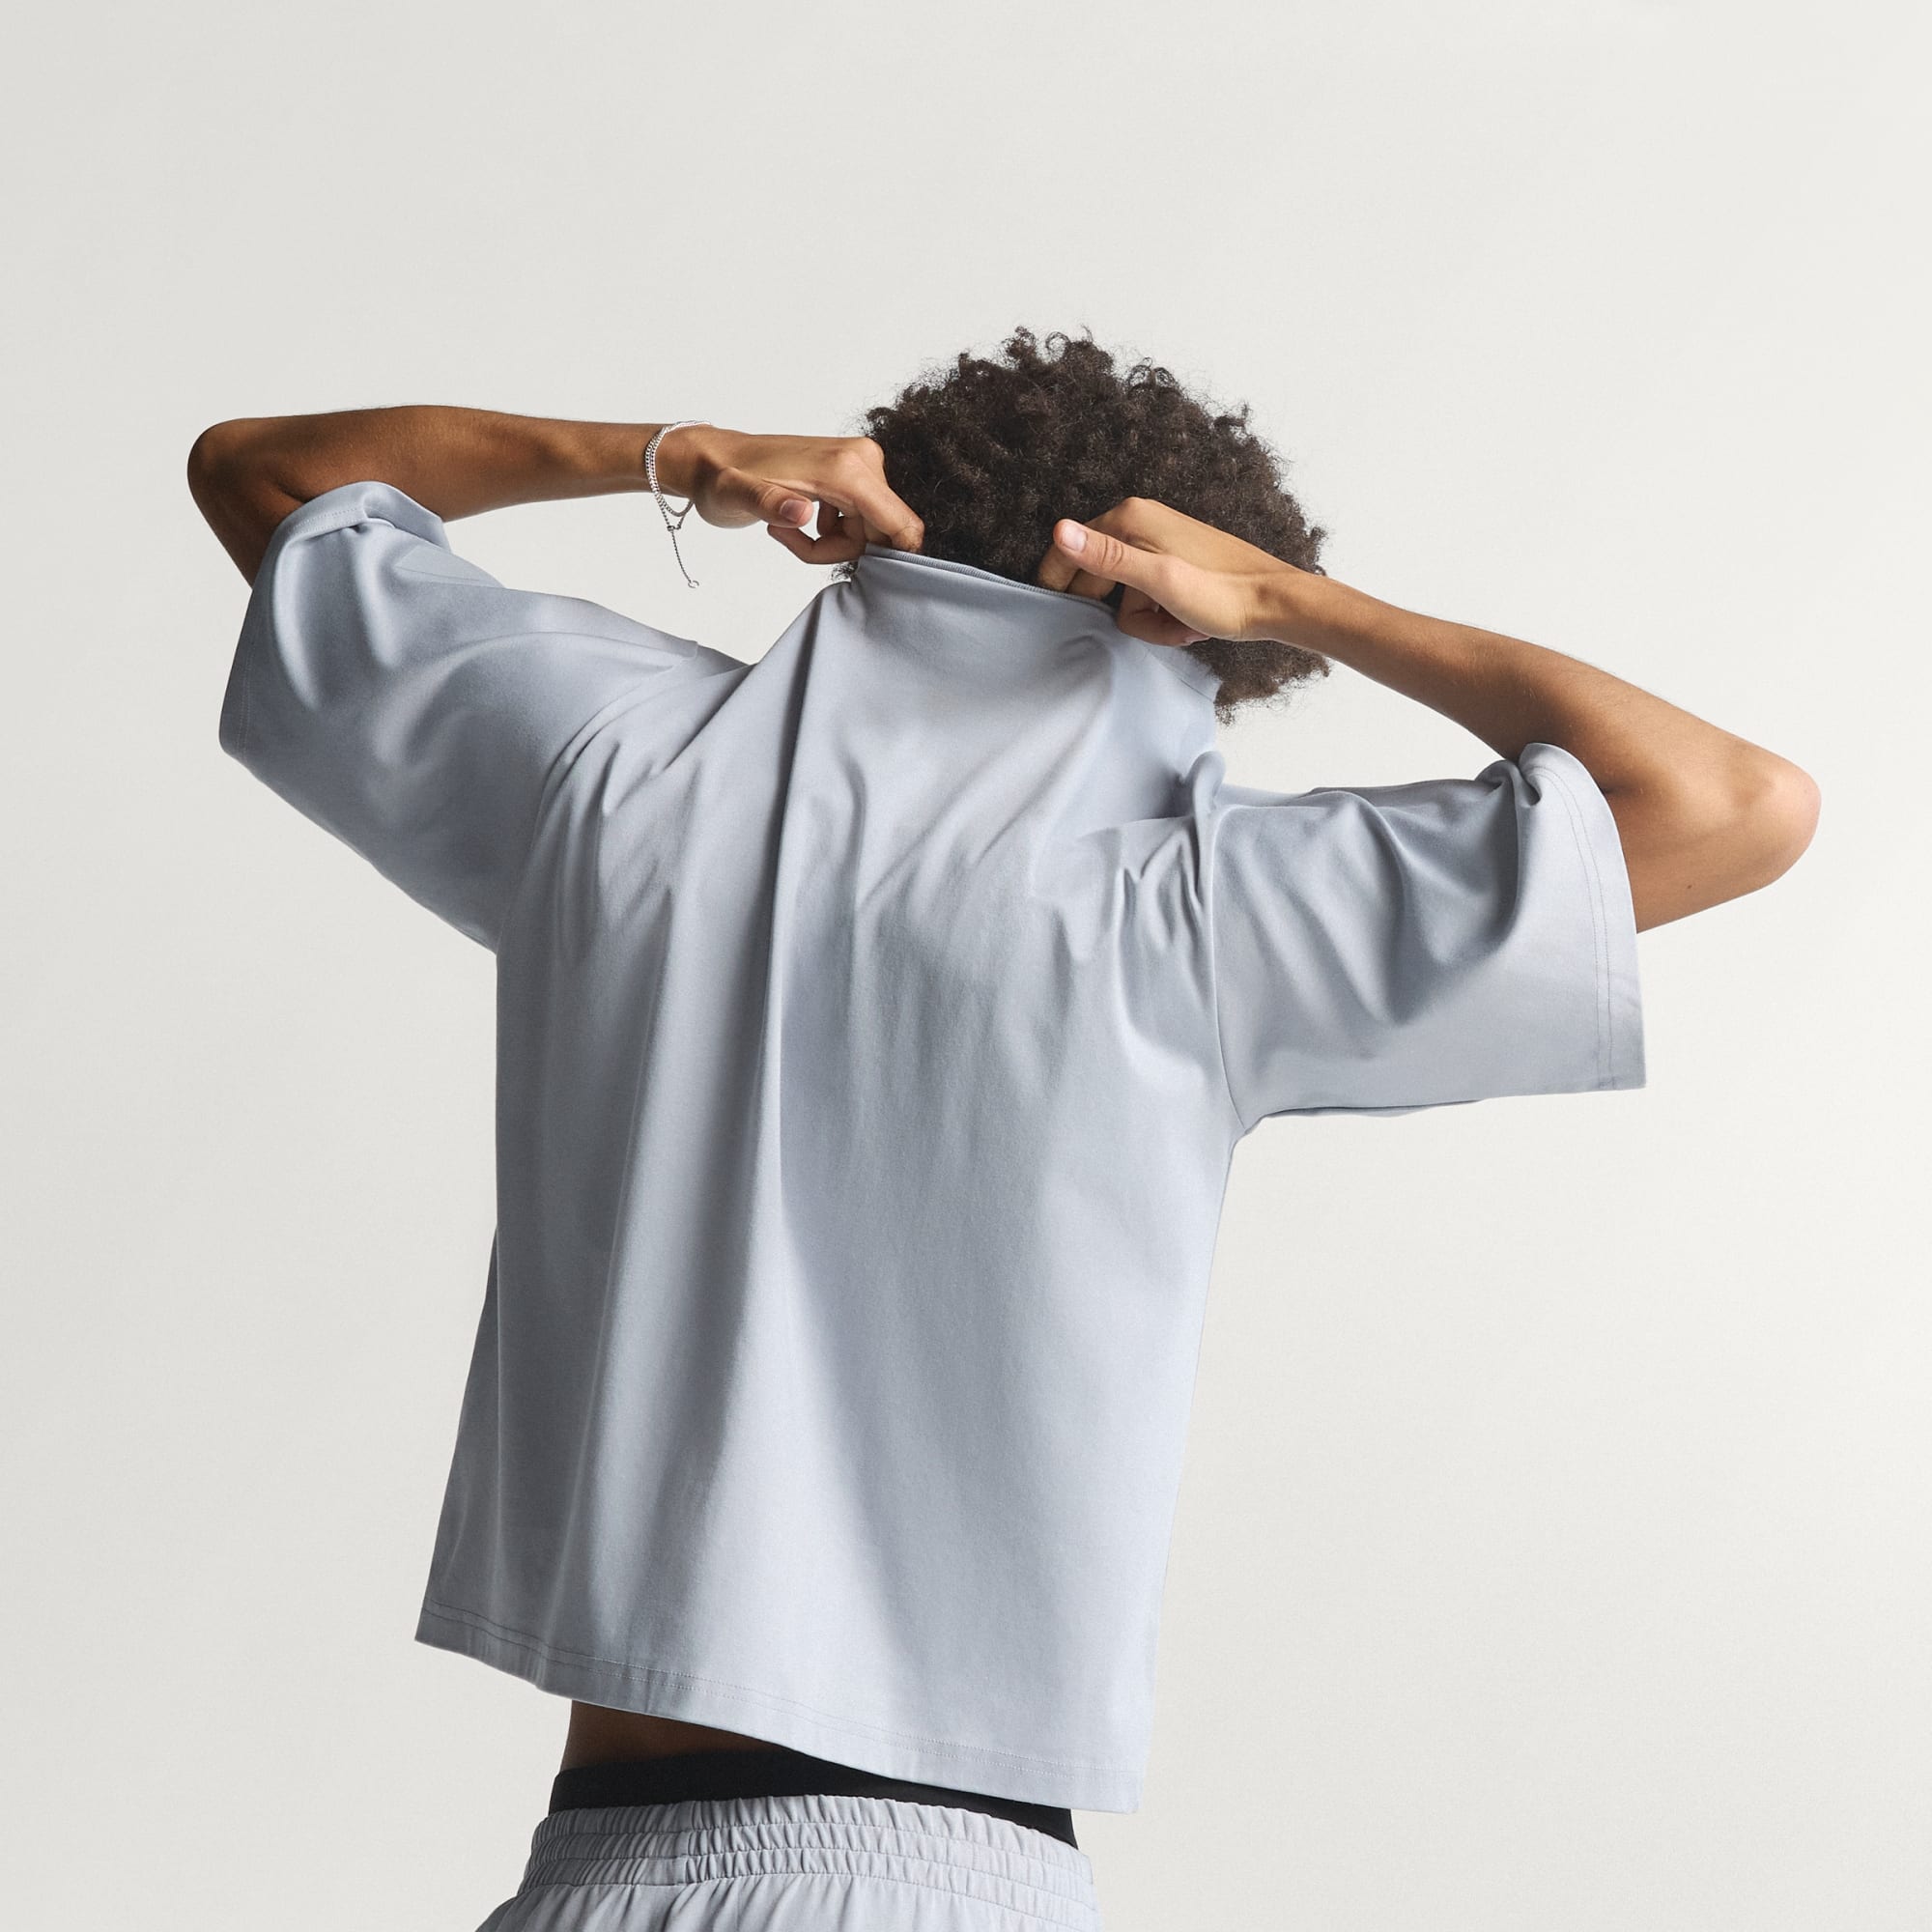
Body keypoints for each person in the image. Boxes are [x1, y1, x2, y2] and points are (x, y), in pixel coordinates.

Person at [188, 328, 1818, 1931]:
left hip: (606, 1873)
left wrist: (675, 457)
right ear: (1182, 614)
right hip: (958, 1877)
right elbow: (1735, 804)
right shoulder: (1200, 912)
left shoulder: (608, 766)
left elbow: (267, 478)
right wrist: (1306, 607)